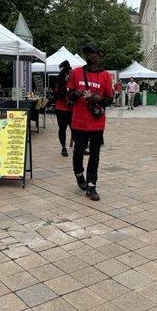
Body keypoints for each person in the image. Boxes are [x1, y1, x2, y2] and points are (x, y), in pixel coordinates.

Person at [67, 44, 113, 201]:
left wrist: (99, 99)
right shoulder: (76, 72)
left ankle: (92, 185)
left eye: (94, 53)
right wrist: (76, 93)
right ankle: (79, 175)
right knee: (79, 151)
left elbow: (110, 99)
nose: (91, 55)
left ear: (99, 56)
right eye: (88, 53)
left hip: (96, 122)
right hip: (79, 122)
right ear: (85, 56)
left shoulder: (106, 75)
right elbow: (69, 96)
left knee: (95, 154)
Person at [53, 60, 73, 157]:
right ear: (66, 72)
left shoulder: (73, 79)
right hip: (61, 108)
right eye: (70, 72)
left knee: (75, 128)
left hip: (72, 109)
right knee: (62, 129)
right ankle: (63, 147)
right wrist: (65, 82)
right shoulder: (59, 80)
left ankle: (79, 147)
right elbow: (57, 94)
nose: (71, 73)